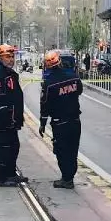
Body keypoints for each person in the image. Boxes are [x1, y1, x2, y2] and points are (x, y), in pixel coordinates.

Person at [39, 50, 83, 188]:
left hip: (60, 123)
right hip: (75, 121)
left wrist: (42, 123)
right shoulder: (73, 77)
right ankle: (70, 176)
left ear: (47, 65)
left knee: (61, 151)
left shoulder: (49, 83)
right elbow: (79, 91)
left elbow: (45, 105)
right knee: (73, 150)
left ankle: (66, 179)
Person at [0, 44, 27, 187]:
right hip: (2, 120)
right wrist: (8, 117)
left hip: (11, 119)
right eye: (8, 57)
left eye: (12, 56)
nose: (11, 59)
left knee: (14, 146)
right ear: (0, 57)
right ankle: (1, 177)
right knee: (3, 147)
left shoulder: (8, 73)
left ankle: (10, 173)